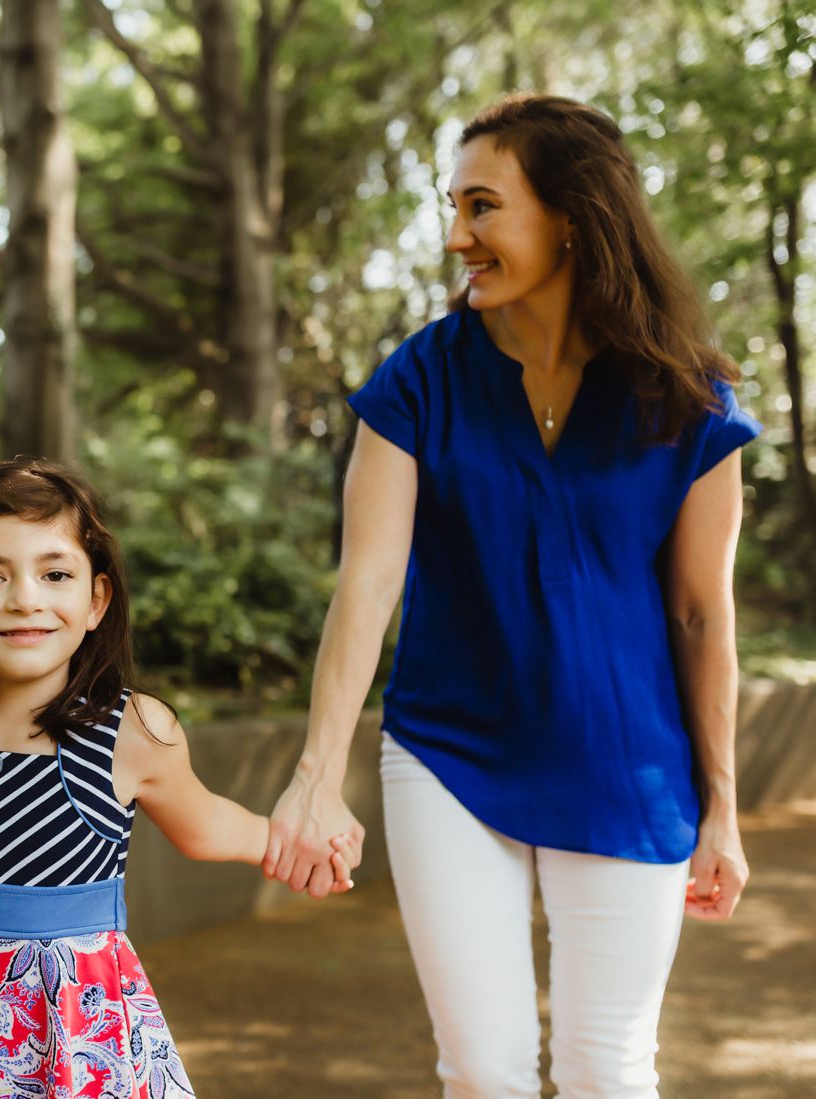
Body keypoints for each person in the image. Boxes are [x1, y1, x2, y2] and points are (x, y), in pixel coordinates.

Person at [264, 93, 761, 1097]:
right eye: (454, 207)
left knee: (607, 1071)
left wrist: (724, 806)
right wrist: (317, 772)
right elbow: (368, 580)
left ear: (572, 216)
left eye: (483, 207)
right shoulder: (419, 381)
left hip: (630, 766)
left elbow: (703, 614)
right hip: (451, 752)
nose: (458, 236)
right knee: (484, 1071)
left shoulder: (688, 399)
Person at [0, 458, 354, 1098]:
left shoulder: (129, 732)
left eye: (55, 574)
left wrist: (287, 842)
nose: (25, 598)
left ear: (96, 600)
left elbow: (205, 825)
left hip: (71, 1036)